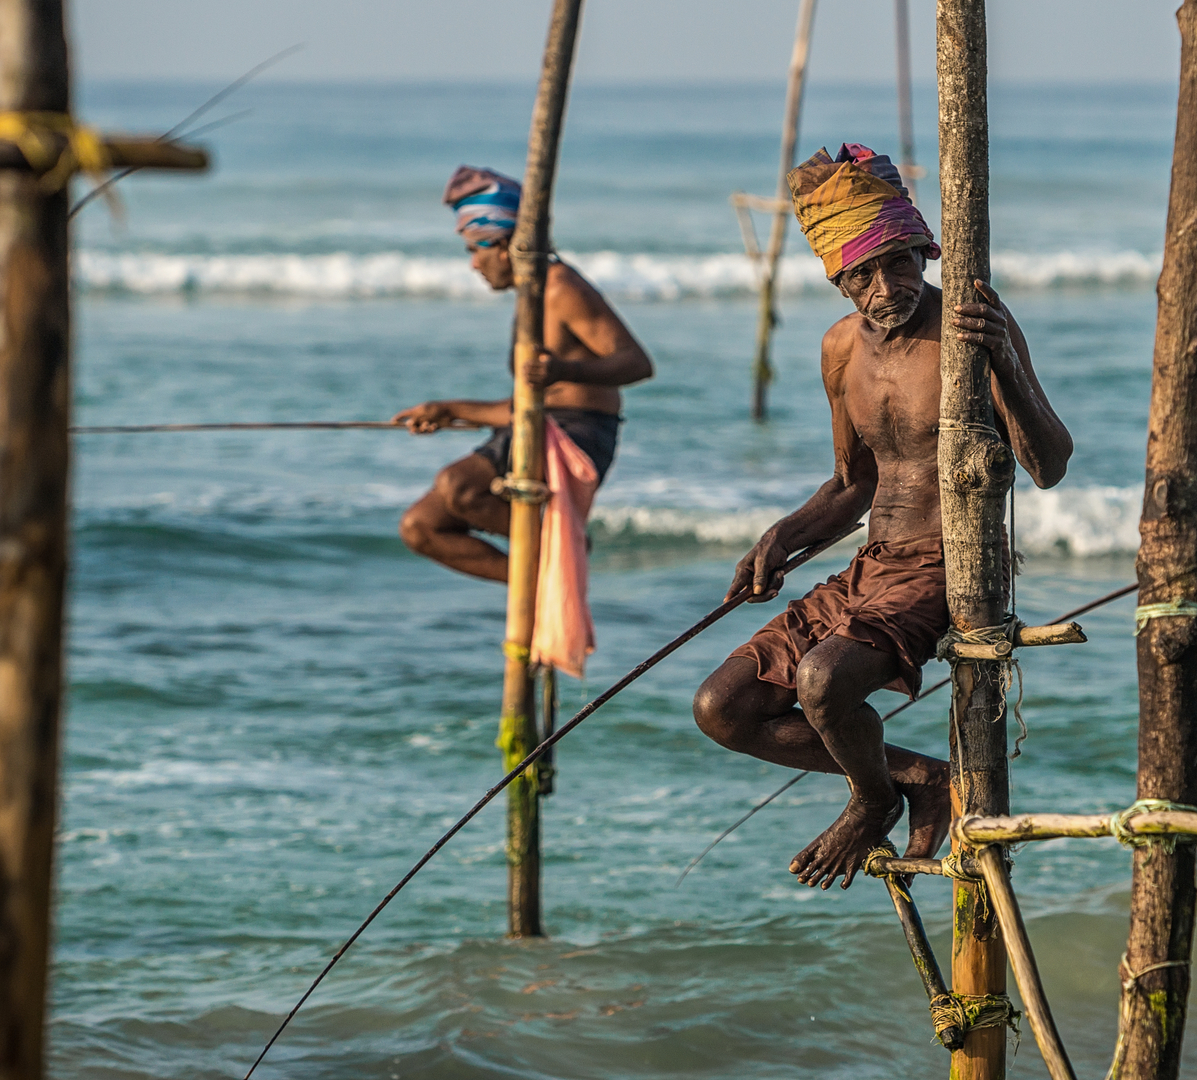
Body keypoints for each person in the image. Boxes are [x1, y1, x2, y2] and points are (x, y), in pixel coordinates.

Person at [692, 144, 1072, 890]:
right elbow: (851, 485)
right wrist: (780, 538)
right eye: (862, 273)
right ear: (836, 278)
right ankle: (914, 779)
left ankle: (871, 801)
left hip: (950, 563)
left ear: (923, 252)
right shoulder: (839, 351)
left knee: (823, 680)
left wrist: (1006, 365)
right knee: (722, 708)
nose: (884, 285)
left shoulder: (969, 328)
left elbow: (1049, 464)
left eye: (899, 262)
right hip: (872, 566)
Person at [394, 166, 653, 581]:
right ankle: (540, 582)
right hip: (541, 422)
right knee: (421, 526)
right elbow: (530, 405)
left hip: (581, 432)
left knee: (458, 484)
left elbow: (637, 364)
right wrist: (450, 410)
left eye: (474, 250)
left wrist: (561, 369)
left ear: (501, 245)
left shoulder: (559, 286)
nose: (473, 265)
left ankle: (565, 544)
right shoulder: (530, 296)